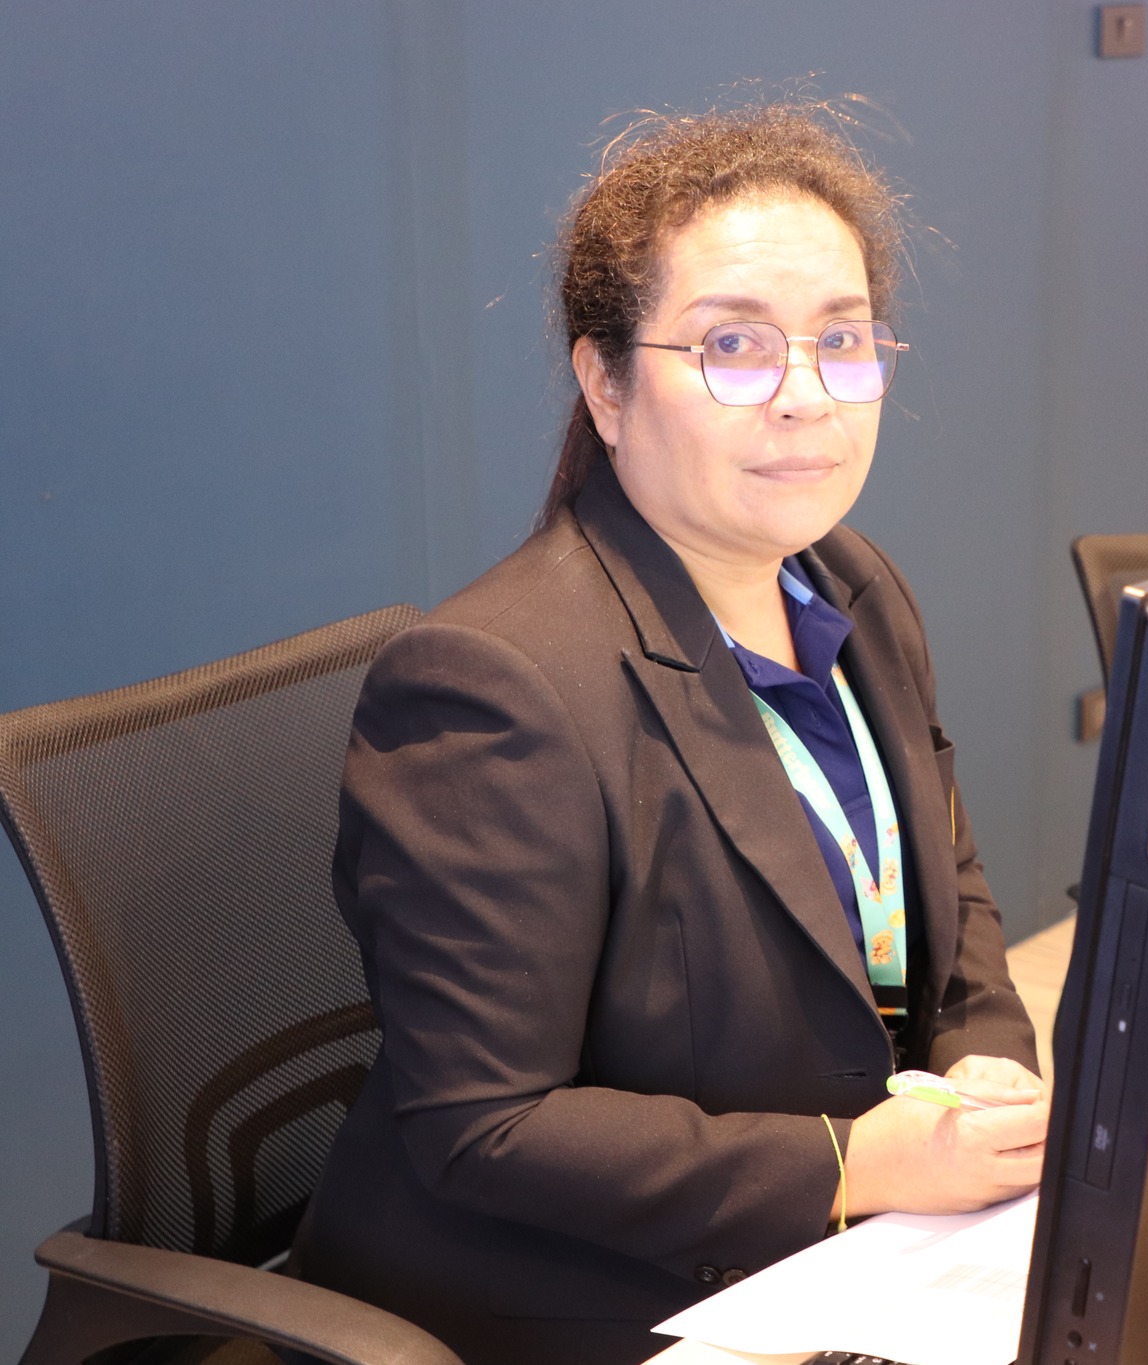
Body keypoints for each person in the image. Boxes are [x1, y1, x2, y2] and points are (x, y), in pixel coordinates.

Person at [294, 104, 1046, 1365]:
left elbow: (945, 893)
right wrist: (851, 1164)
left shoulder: (854, 587)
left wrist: (985, 1068)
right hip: (561, 1292)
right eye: (733, 346)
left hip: (849, 1244)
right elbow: (484, 1126)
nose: (804, 397)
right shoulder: (492, 687)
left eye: (842, 341)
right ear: (606, 384)